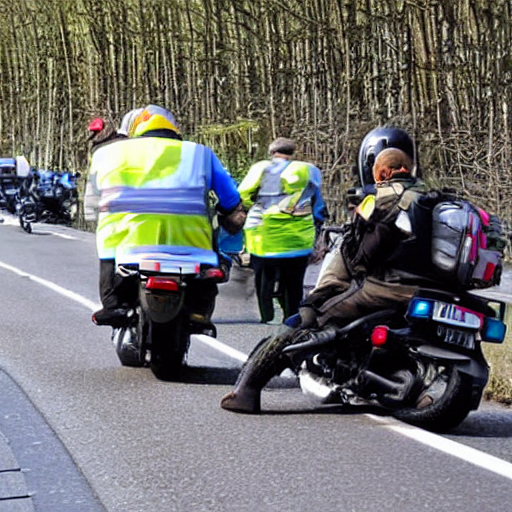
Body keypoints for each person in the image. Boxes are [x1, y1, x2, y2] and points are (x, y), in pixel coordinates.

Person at [221, 126, 445, 414]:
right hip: (425, 288)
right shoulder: (437, 200)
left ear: (383, 171)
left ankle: (246, 391)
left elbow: (361, 257)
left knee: (305, 319)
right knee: (293, 291)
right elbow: (319, 208)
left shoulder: (381, 199)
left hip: (272, 245)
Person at [85, 104, 243, 330]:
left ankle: (113, 306)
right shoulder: (200, 153)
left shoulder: (106, 153)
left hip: (125, 242)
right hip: (192, 243)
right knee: (208, 270)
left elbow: (91, 205)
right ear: (174, 130)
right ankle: (199, 309)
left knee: (111, 265)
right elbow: (230, 200)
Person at [238, 137, 328, 324]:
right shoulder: (309, 170)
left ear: (272, 153)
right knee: (294, 280)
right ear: (293, 152)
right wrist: (317, 225)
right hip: (298, 237)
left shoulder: (260, 168)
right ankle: (291, 315)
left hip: (262, 234)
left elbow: (243, 195)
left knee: (263, 275)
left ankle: (266, 314)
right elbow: (318, 205)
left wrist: (251, 205)